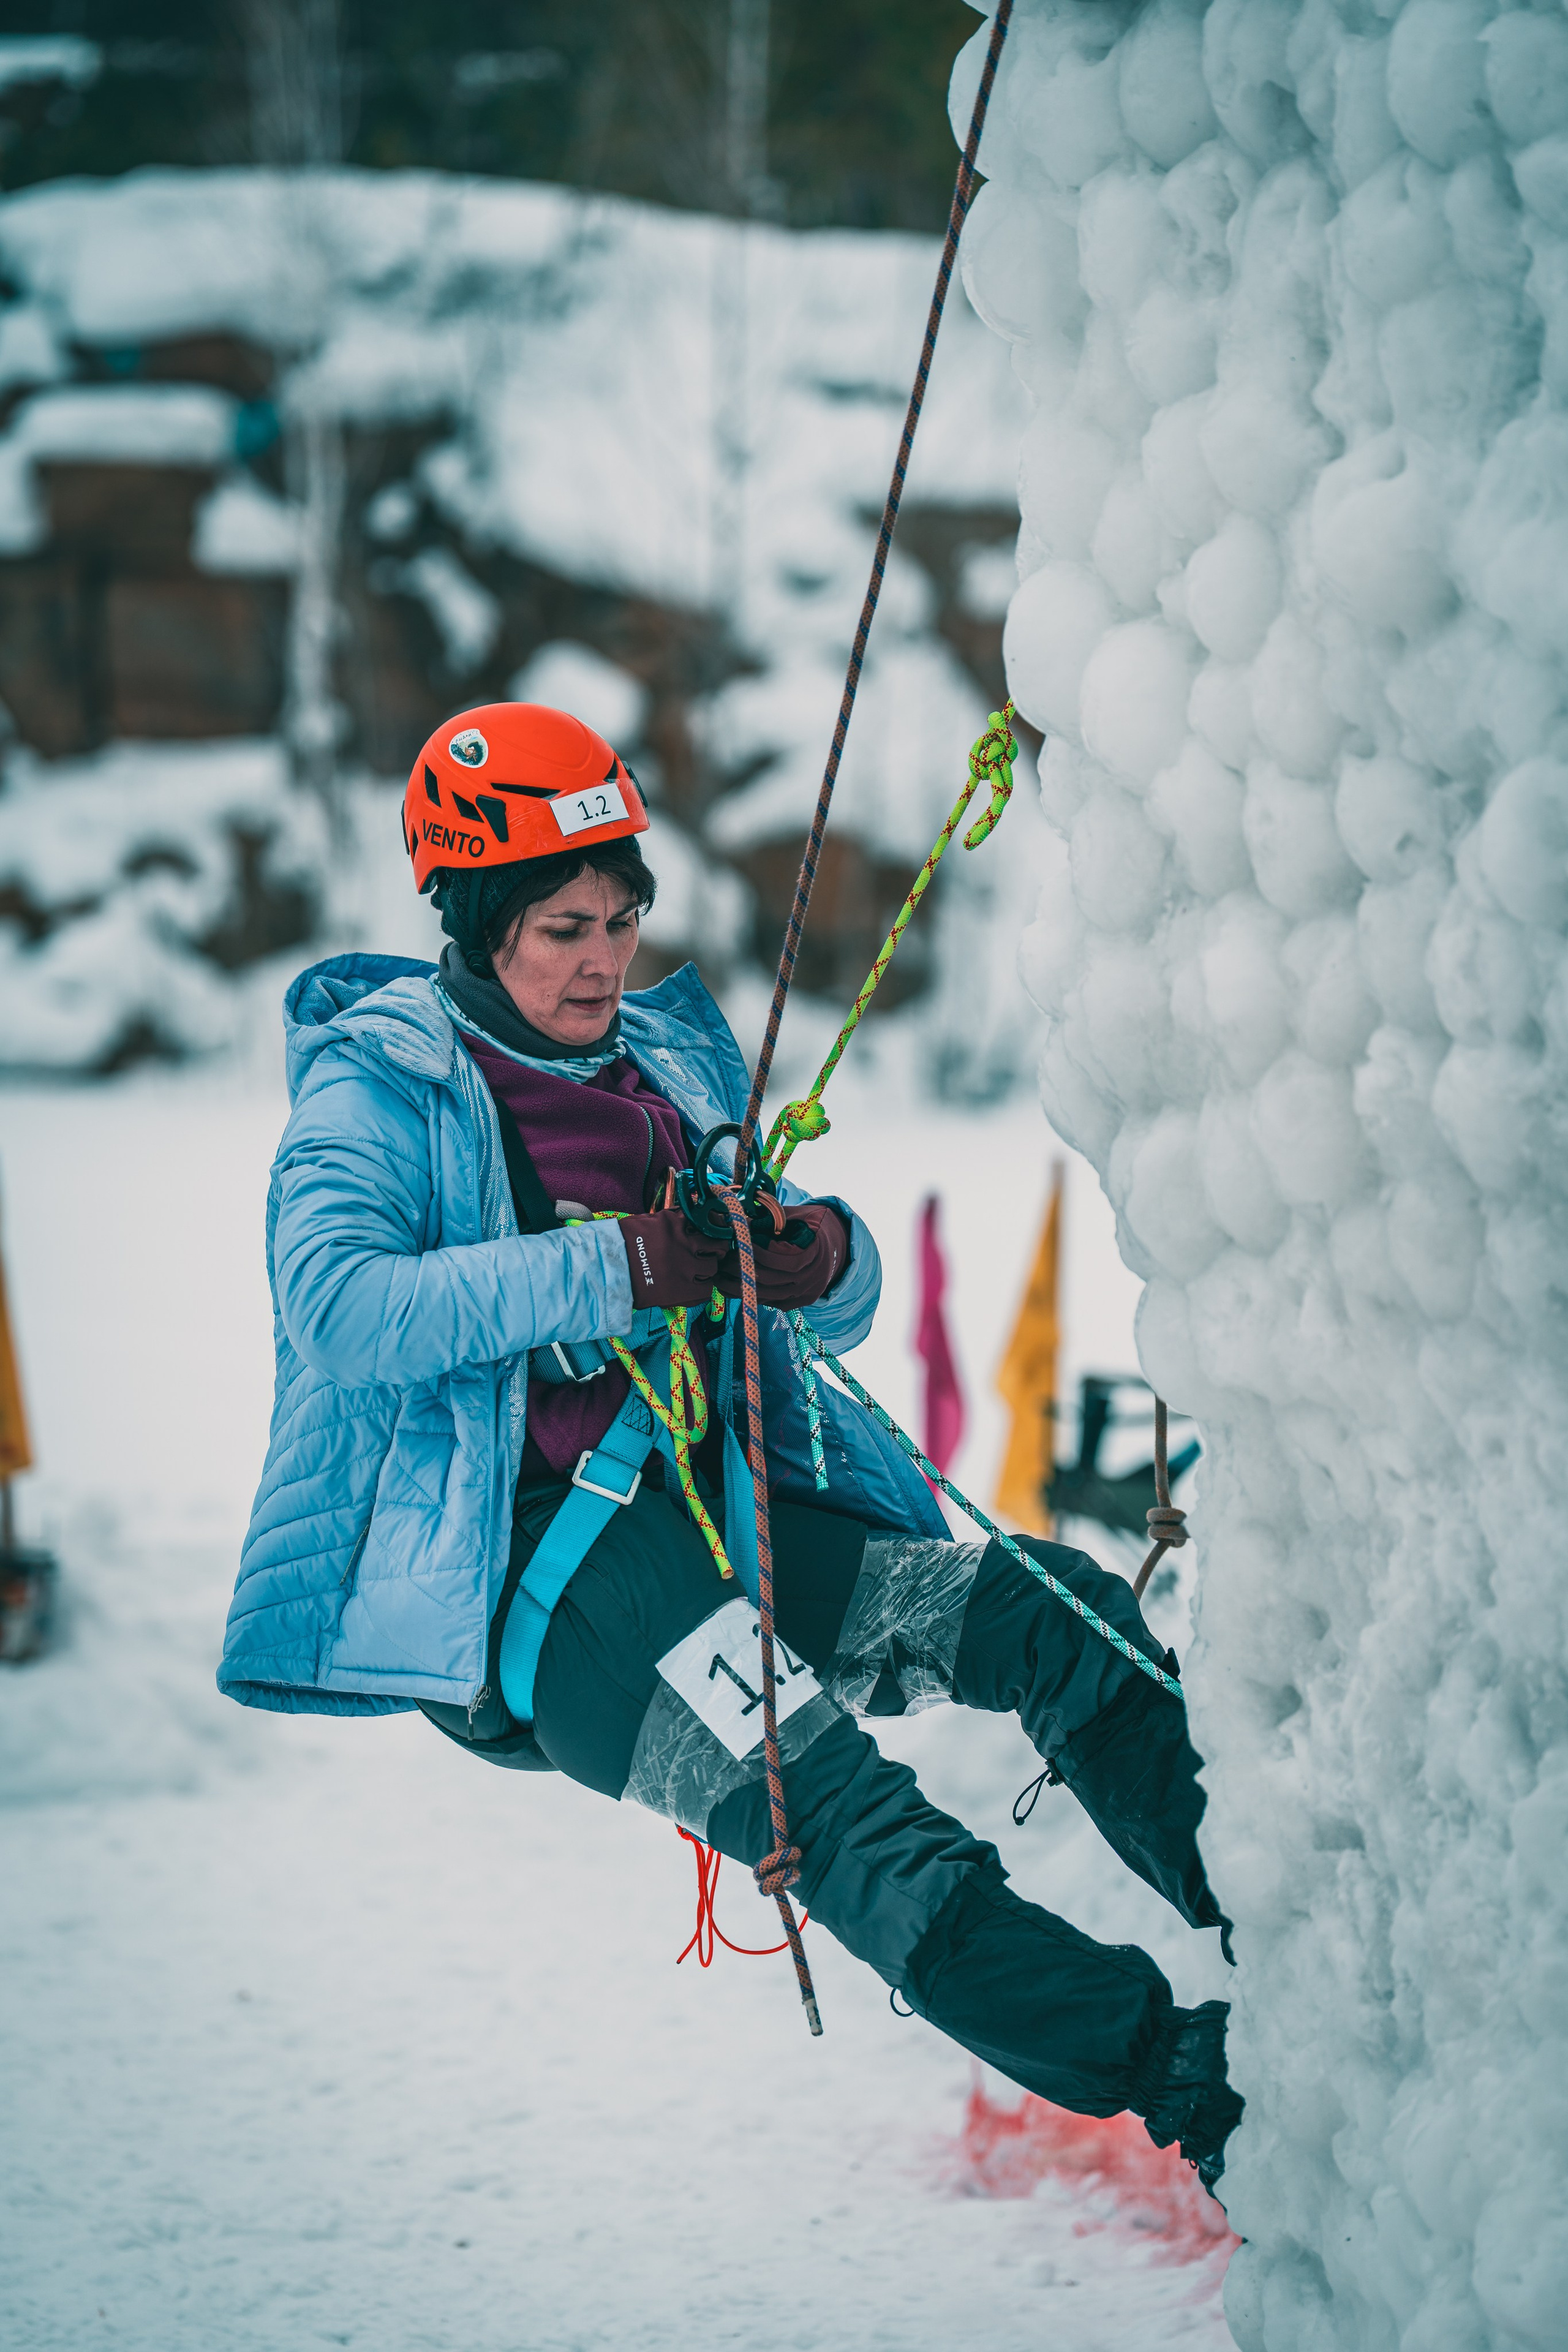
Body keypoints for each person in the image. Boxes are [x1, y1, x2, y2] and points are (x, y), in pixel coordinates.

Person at [218, 700, 1243, 2191]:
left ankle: (1279, 1919)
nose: (603, 959)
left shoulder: (663, 1065)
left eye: (623, 920)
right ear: (474, 916)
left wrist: (808, 1256)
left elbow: (827, 1309)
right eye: (565, 926)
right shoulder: (380, 1088)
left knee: (1050, 1610)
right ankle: (1199, 2090)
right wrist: (626, 1266)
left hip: (734, 1511)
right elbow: (342, 1309)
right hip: (564, 1591)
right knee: (849, 1823)